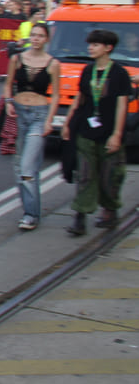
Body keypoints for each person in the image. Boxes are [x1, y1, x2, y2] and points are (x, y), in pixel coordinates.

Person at [61, 29, 131, 236]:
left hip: (109, 132)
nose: (90, 48)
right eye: (90, 44)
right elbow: (80, 98)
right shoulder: (87, 71)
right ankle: (80, 217)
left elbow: (122, 105)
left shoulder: (119, 73)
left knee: (110, 175)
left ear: (108, 48)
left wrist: (117, 134)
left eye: (95, 45)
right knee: (84, 174)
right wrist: (68, 121)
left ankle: (110, 210)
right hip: (85, 131)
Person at [2, 22, 60, 230]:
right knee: (21, 167)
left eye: (40, 36)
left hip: (38, 115)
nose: (35, 39)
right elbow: (8, 84)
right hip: (19, 113)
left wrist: (49, 120)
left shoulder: (53, 64)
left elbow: (55, 95)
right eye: (33, 35)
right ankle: (32, 211)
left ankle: (30, 214)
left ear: (46, 39)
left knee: (27, 166)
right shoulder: (17, 59)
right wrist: (9, 102)